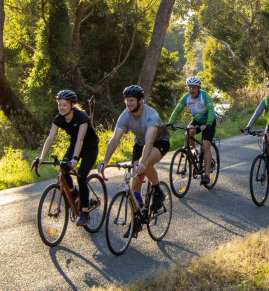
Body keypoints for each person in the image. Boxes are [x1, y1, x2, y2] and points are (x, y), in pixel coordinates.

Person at [31, 90, 100, 227]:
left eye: (64, 105)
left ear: (72, 105)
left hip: (89, 148)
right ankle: (74, 194)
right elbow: (50, 138)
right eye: (59, 105)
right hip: (75, 145)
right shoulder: (59, 119)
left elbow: (81, 139)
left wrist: (75, 159)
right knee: (63, 167)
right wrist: (41, 158)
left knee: (81, 176)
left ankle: (85, 213)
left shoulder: (82, 117)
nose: (61, 108)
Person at [98, 85, 170, 215]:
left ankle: (157, 189)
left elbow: (149, 142)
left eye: (131, 100)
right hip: (140, 144)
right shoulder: (125, 114)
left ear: (140, 101)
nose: (128, 103)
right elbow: (115, 139)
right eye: (127, 100)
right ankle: (137, 214)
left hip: (159, 141)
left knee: (146, 164)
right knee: (136, 179)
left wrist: (142, 163)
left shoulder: (151, 115)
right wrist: (105, 161)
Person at [167, 76, 217, 187]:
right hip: (197, 120)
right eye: (189, 88)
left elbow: (210, 110)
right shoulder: (187, 98)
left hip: (209, 121)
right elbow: (177, 110)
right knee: (189, 132)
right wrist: (170, 122)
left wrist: (207, 124)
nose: (191, 90)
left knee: (205, 146)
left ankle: (207, 175)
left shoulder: (205, 96)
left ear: (199, 88)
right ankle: (193, 151)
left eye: (194, 88)